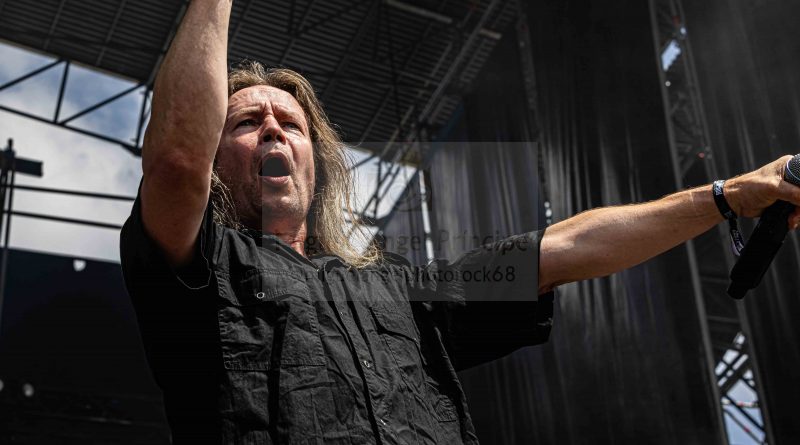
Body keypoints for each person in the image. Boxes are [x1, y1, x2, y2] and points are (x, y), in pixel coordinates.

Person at [119, 1, 800, 444]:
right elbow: (176, 159)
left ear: (316, 162)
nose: (273, 128)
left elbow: (565, 248)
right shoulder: (202, 266)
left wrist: (727, 195)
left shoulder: (400, 288)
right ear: (215, 158)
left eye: (290, 123)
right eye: (246, 121)